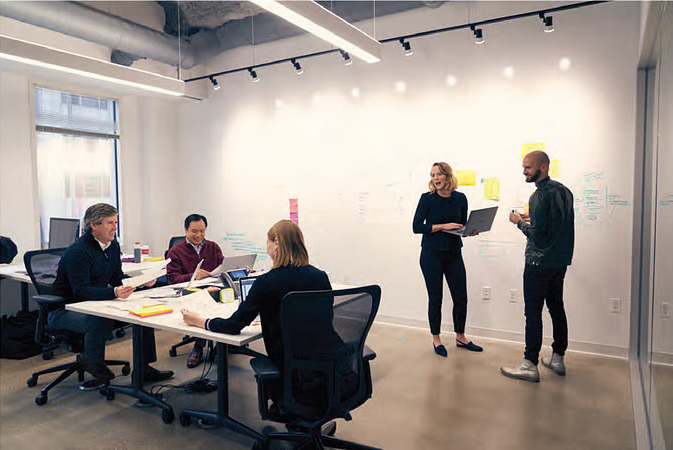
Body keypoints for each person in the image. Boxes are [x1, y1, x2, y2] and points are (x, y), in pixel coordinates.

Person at [181, 219, 333, 375]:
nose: (266, 246)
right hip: (332, 364)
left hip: (291, 369)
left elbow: (233, 326)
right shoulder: (320, 277)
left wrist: (199, 321)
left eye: (267, 241)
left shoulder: (267, 282)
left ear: (276, 243)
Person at [51, 203, 174, 383]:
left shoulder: (112, 245)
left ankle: (143, 369)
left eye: (116, 222)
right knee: (99, 318)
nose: (115, 228)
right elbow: (81, 290)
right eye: (110, 223)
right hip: (67, 309)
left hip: (95, 303)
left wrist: (140, 283)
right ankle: (92, 360)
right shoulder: (77, 252)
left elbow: (117, 277)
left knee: (143, 312)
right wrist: (114, 292)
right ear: (94, 225)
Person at [500, 151, 574, 382]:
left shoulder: (538, 197)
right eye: (523, 167)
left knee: (533, 313)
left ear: (543, 167)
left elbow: (539, 239)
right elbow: (555, 226)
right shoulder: (565, 191)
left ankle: (529, 364)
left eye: (528, 167)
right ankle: (558, 359)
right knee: (556, 307)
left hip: (538, 263)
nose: (524, 171)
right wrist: (532, 219)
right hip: (559, 262)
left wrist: (519, 222)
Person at [413, 162, 483, 357]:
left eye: (439, 174)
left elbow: (460, 226)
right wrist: (443, 225)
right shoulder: (427, 199)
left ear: (448, 176)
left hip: (453, 252)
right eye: (432, 175)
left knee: (461, 297)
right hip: (431, 254)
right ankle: (436, 339)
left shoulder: (460, 198)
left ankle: (460, 336)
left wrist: (469, 231)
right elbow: (417, 226)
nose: (435, 178)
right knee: (436, 298)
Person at [166, 214, 223, 368]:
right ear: (185, 230)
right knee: (202, 307)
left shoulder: (213, 247)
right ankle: (198, 347)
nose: (199, 235)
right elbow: (173, 278)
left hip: (212, 289)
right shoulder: (175, 251)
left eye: (202, 231)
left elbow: (222, 268)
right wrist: (192, 276)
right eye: (194, 231)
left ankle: (223, 345)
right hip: (188, 293)